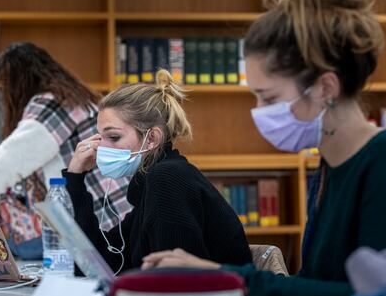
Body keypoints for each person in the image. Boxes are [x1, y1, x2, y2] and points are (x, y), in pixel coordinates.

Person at [141, 0, 386, 296]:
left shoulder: (383, 160)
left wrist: (222, 276)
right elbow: (314, 285)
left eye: (269, 97)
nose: (259, 112)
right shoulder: (329, 164)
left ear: (325, 88)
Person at [63, 69, 252, 274]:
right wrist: (75, 178)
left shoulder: (168, 178)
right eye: (100, 137)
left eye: (114, 137)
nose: (100, 147)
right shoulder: (151, 180)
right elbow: (99, 264)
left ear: (151, 138)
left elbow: (174, 280)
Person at [0, 42, 130, 258]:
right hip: (113, 221)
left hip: (101, 227)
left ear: (18, 83)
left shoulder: (52, 106)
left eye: (4, 88)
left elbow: (5, 166)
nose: (3, 96)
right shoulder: (73, 97)